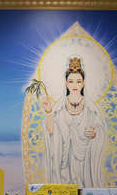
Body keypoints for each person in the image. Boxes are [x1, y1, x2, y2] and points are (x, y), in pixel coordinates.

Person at [41, 55, 106, 186]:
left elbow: (100, 130)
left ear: (83, 83)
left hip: (84, 162)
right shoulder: (59, 108)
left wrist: (94, 134)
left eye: (78, 81)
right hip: (64, 162)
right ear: (66, 83)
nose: (75, 85)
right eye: (71, 81)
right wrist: (48, 112)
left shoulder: (90, 109)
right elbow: (50, 131)